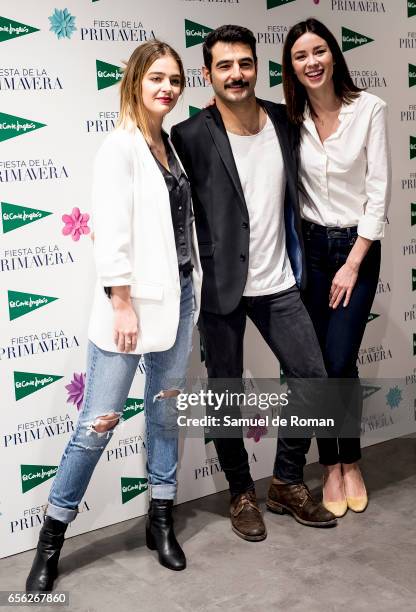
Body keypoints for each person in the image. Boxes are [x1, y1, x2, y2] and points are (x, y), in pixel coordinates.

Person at [26, 40, 202, 591]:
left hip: (179, 294)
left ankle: (161, 520)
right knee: (96, 425)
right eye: (157, 78)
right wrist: (121, 302)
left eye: (174, 79)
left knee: (164, 415)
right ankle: (51, 539)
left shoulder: (168, 145)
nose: (167, 88)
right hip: (129, 305)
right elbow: (113, 235)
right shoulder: (119, 147)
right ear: (134, 82)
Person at [171, 24, 337, 543]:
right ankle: (241, 490)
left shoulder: (286, 120)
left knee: (311, 377)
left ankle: (286, 481)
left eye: (244, 63)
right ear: (207, 74)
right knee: (225, 392)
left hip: (279, 279)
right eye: (224, 65)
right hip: (221, 287)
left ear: (256, 66)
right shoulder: (189, 135)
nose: (236, 73)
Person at [281, 18, 391, 517]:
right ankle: (332, 466)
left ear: (334, 54)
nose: (312, 61)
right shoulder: (289, 118)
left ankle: (352, 462)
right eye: (301, 55)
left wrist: (351, 264)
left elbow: (378, 194)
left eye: (319, 50)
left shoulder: (369, 110)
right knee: (322, 366)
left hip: (356, 251)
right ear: (292, 66)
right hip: (310, 253)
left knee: (341, 358)